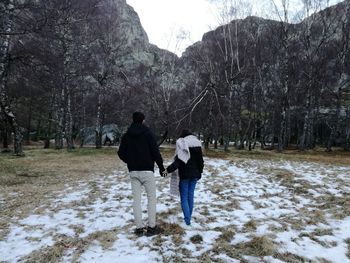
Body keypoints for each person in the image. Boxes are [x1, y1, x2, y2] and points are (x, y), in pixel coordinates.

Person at [118, 112, 166, 237]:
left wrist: (129, 161)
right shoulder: (148, 134)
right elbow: (155, 152)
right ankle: (151, 227)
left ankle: (139, 228)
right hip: (147, 171)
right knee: (151, 199)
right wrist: (161, 167)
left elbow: (120, 153)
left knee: (136, 200)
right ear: (143, 120)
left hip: (133, 171)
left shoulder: (127, 135)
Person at [166, 129, 204, 227]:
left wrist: (168, 169)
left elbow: (179, 161)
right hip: (195, 175)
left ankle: (187, 220)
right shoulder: (198, 143)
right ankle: (188, 217)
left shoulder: (183, 144)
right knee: (190, 196)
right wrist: (200, 172)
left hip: (185, 175)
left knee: (184, 197)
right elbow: (201, 161)